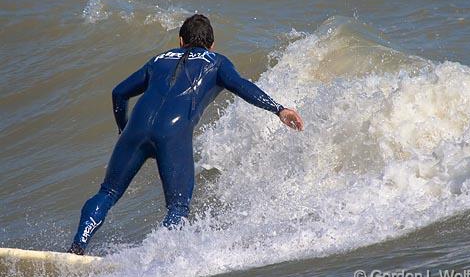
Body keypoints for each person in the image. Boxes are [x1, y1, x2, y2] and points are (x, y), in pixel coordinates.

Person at [68, 14, 304, 255]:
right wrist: (278, 109)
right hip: (173, 135)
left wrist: (123, 130)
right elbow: (243, 86)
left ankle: (77, 247)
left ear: (181, 41)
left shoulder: (158, 60)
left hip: (135, 130)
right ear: (212, 44)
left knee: (107, 193)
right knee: (178, 207)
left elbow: (119, 93)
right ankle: (156, 258)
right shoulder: (217, 62)